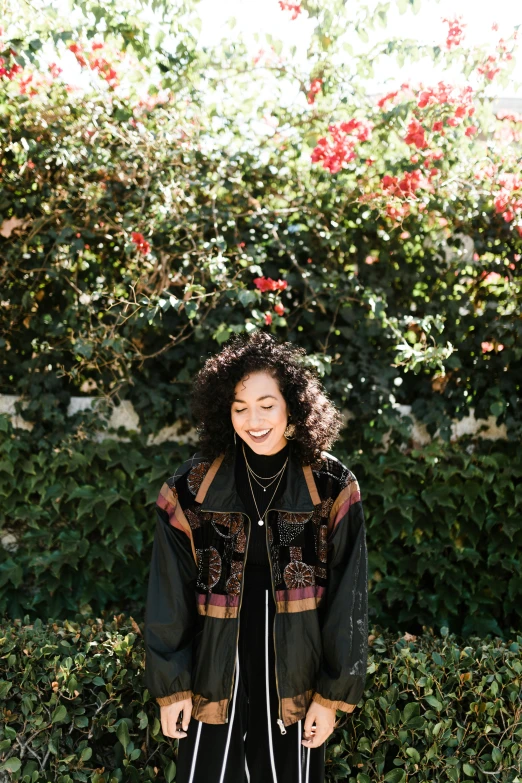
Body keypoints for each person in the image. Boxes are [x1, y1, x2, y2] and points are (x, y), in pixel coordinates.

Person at [144, 330, 369, 783]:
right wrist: (173, 688)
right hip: (214, 671)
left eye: (267, 404)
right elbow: (169, 590)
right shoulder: (193, 486)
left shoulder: (330, 485)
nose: (254, 419)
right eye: (240, 407)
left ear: (293, 406)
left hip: (296, 677)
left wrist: (330, 697)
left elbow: (350, 599)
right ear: (224, 412)